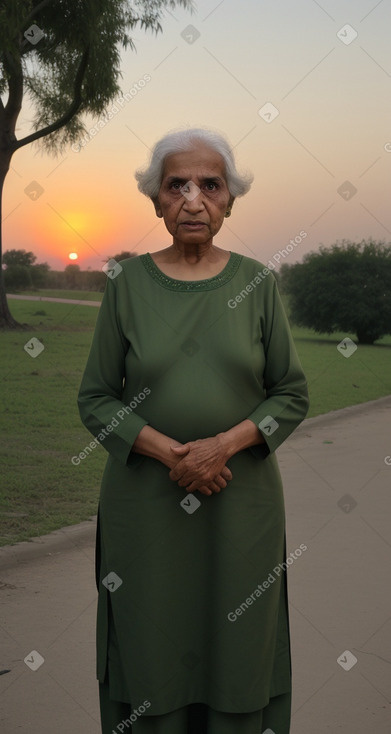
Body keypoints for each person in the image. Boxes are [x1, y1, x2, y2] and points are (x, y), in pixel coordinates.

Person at [77, 127, 309, 734]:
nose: (193, 199)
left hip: (241, 505)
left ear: (230, 198)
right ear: (155, 199)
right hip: (146, 507)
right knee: (150, 644)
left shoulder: (258, 284)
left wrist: (223, 446)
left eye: (210, 184)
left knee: (240, 648)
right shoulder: (125, 286)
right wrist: (167, 453)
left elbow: (291, 393)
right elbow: (97, 399)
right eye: (175, 185)